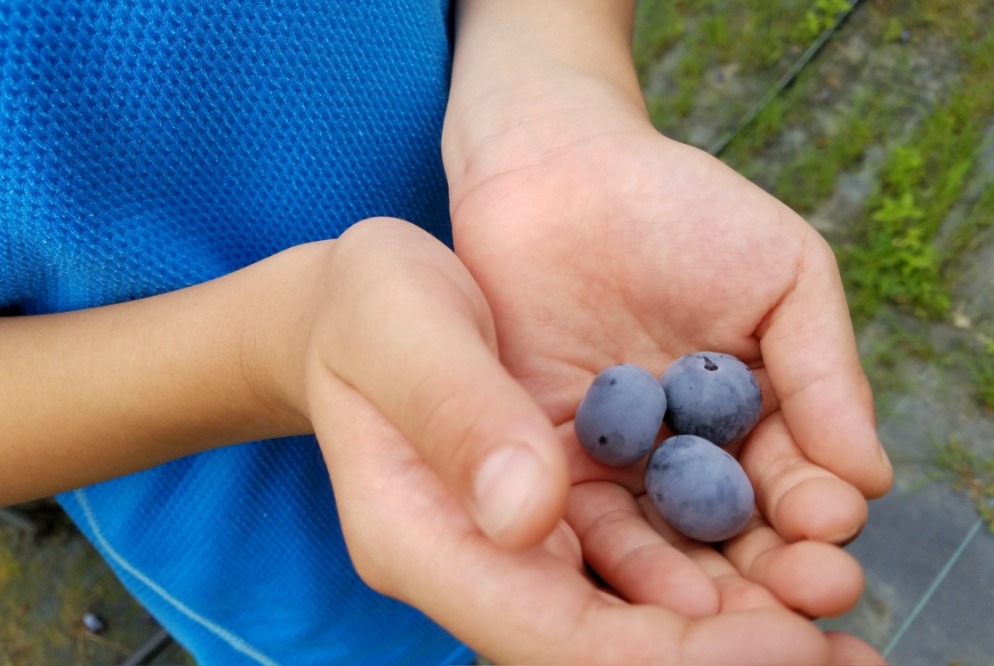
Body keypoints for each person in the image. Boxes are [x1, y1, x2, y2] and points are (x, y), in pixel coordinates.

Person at [1, 1, 893, 663]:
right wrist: (277, 347)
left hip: (527, 310)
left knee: (589, 581)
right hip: (256, 534)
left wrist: (551, 88)